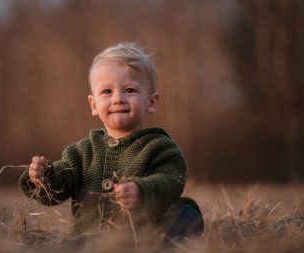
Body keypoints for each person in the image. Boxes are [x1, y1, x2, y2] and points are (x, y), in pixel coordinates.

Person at [19, 42, 204, 249]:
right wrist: (42, 178)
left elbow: (171, 181)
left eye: (129, 90)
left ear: (151, 102)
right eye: (107, 91)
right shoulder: (81, 153)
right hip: (90, 240)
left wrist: (142, 191)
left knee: (187, 213)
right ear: (94, 104)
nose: (118, 99)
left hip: (143, 237)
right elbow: (62, 183)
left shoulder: (160, 147)